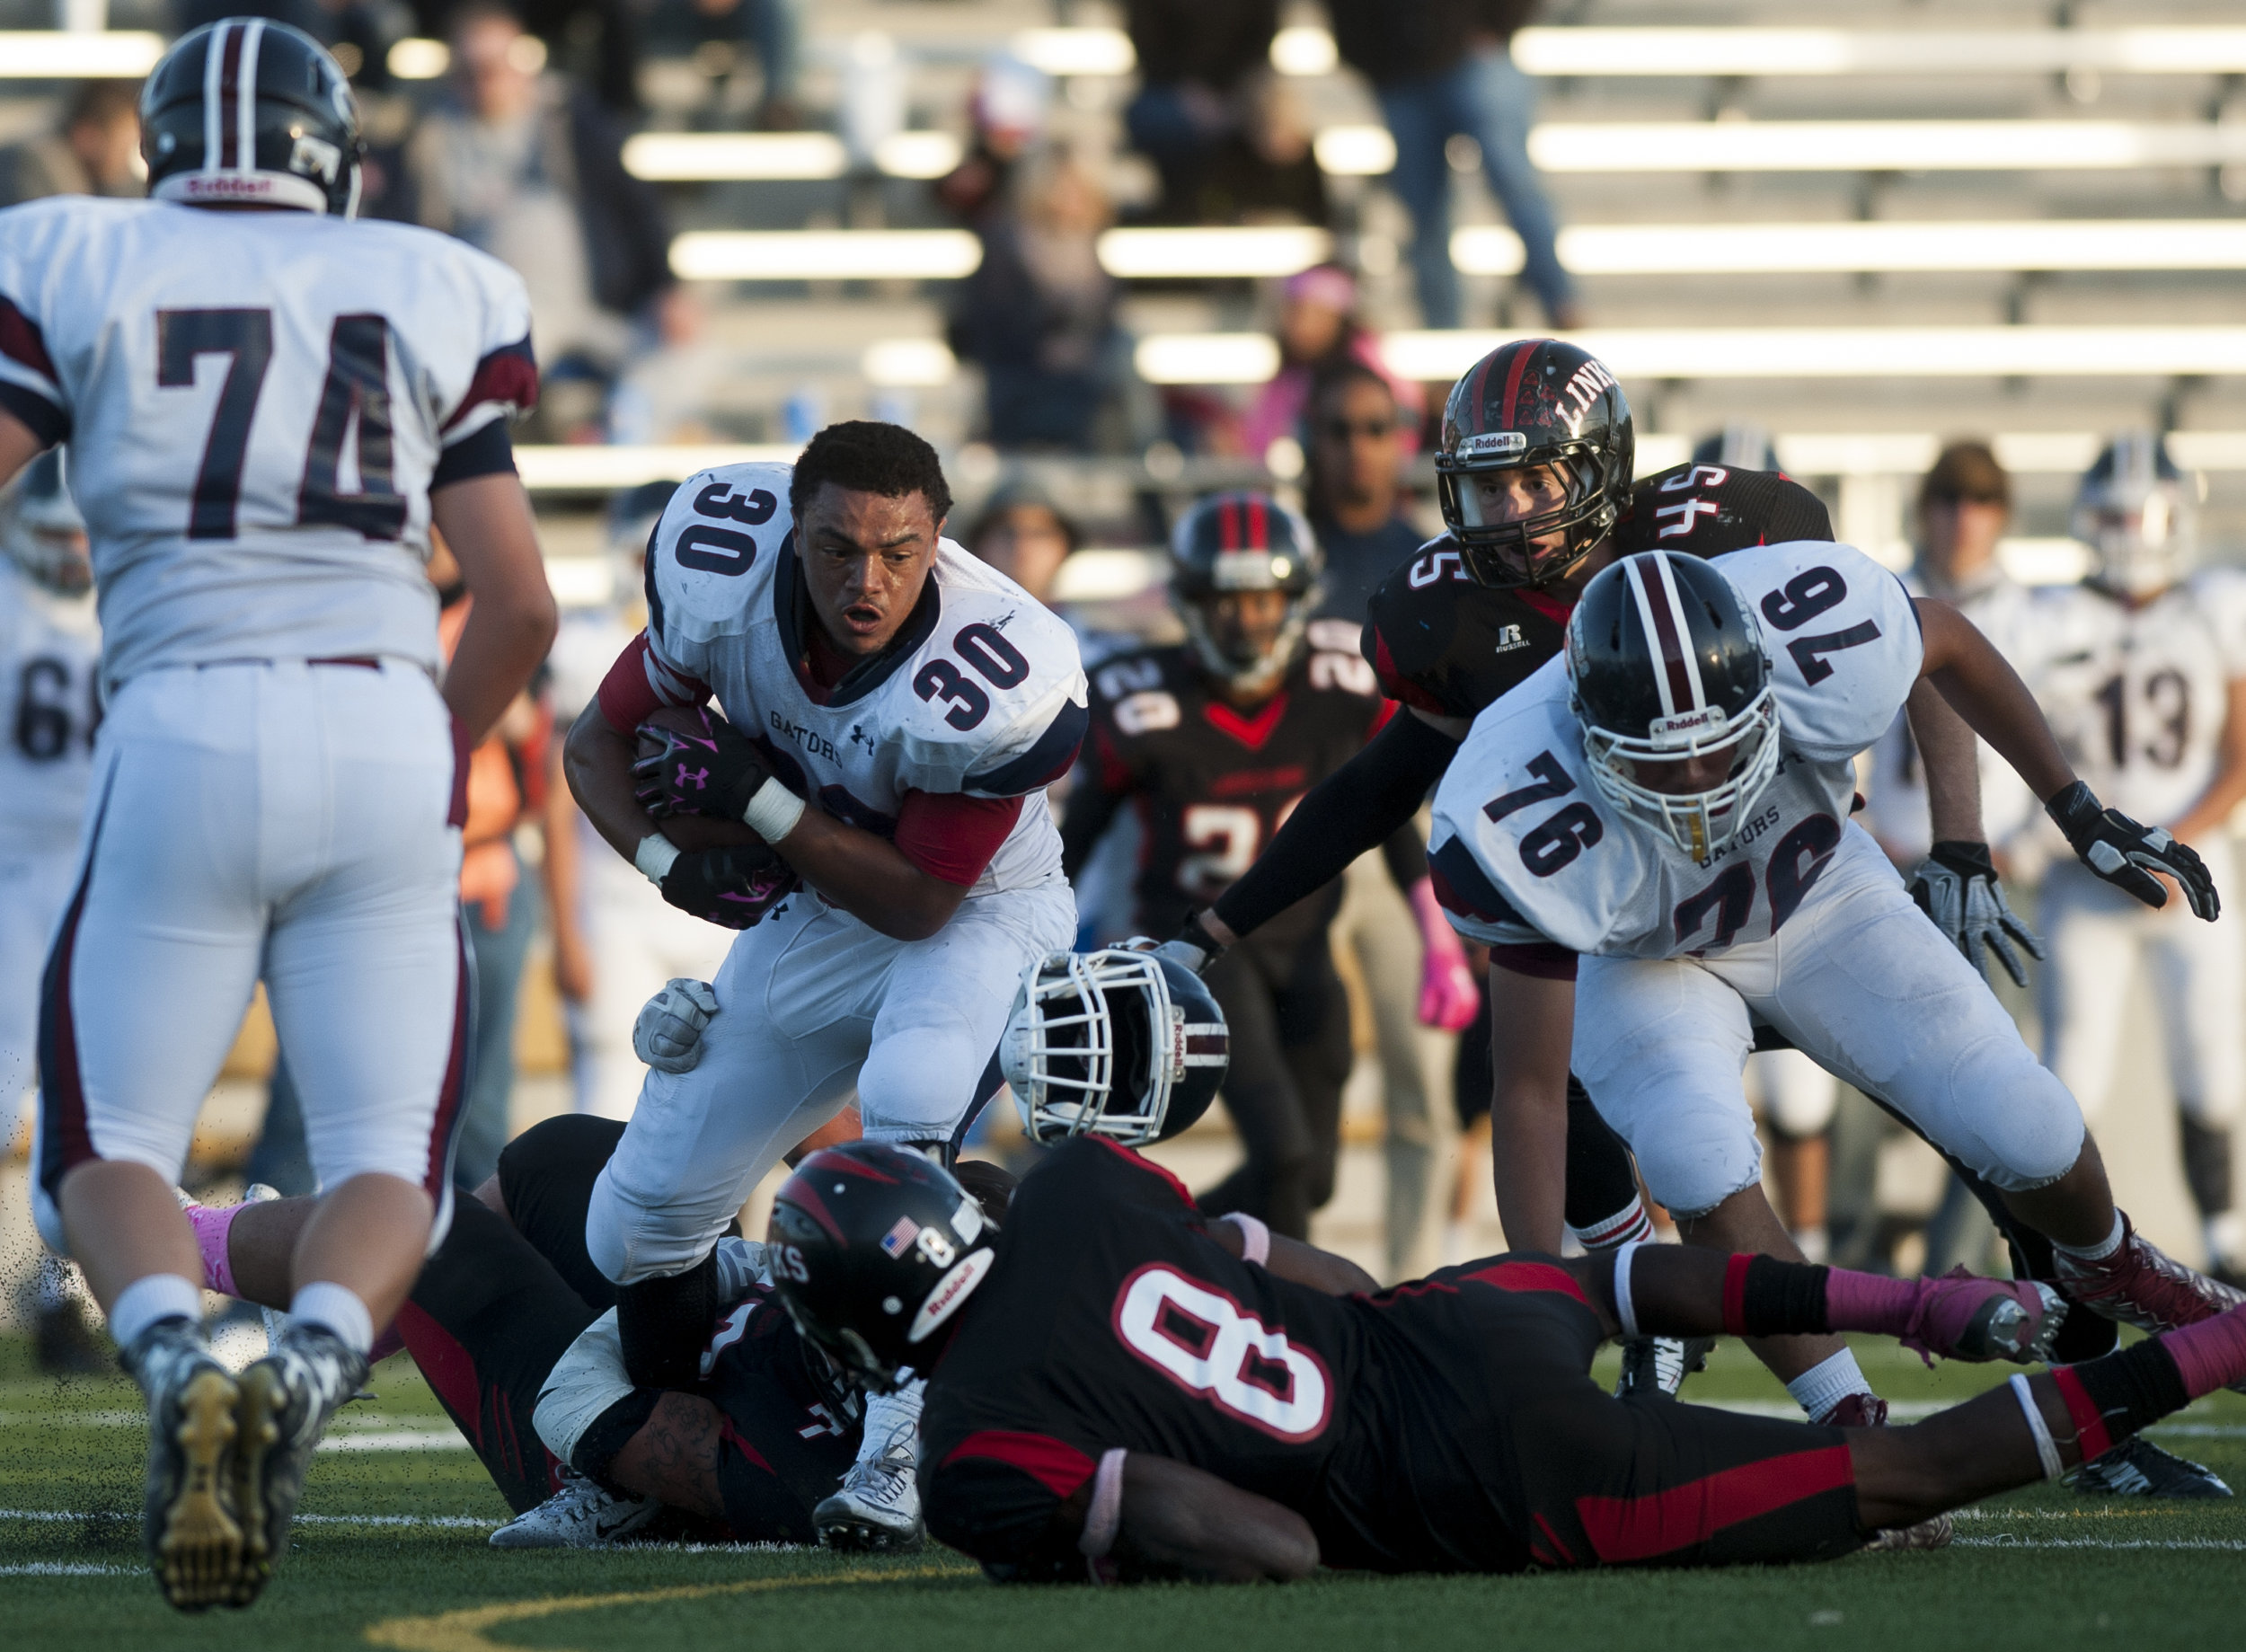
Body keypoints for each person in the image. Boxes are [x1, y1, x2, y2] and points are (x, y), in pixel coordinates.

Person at [0, 20, 556, 1610]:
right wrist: (429, 763)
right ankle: (312, 1358)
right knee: (395, 1153)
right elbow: (514, 607)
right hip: (382, 707)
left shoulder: (77, 252)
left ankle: (178, 1356)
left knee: (106, 1152)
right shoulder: (431, 278)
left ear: (165, 145)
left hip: (180, 714)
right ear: (337, 154)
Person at [1152, 340, 1943, 1401]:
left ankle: (2086, 1337)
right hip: (1616, 906)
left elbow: (1917, 639)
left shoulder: (1724, 534)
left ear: (1600, 468)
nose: (1513, 510)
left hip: (1782, 881)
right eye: (1487, 485)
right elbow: (1376, 785)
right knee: (1569, 1088)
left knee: (1971, 1098)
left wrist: (1965, 843)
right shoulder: (1451, 613)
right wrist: (1219, 925)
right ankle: (1649, 1313)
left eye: (1535, 479)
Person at [1426, 540, 2242, 1425]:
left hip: (1817, 895)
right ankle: (1844, 1415)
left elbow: (1947, 643)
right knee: (1690, 1155)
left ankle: (2109, 1260)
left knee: (2031, 1124)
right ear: (1591, 737)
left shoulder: (1808, 631)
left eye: (1721, 747)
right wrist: (1539, 1299)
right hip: (1643, 959)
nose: (1701, 786)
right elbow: (1533, 1093)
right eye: (1666, 764)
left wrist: (2067, 810)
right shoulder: (1511, 805)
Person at [768, 1134, 2246, 1581]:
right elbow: (1317, 1276)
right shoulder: (1085, 1181)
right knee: (1611, 1275)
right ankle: (1913, 1301)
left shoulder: (969, 1446)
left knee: (1895, 1472)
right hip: (1442, 1322)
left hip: (1483, 1479)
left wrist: (1087, 1548)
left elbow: (1271, 1542)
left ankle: (2234, 1338)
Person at [561, 421, 1086, 1549]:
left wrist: (751, 799)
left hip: (977, 905)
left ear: (937, 540)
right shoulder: (722, 580)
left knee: (908, 1099)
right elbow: (593, 747)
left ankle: (901, 1435)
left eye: (899, 552)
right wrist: (669, 867)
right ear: (792, 535)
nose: (868, 579)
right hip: (821, 901)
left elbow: (917, 906)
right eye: (838, 547)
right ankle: (672, 1450)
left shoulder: (990, 668)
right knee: (637, 1223)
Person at [179, 1111, 874, 1546]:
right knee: (569, 1159)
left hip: (605, 1461)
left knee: (422, 1222)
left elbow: (595, 1410)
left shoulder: (811, 1459)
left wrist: (656, 1289)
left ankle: (174, 1241)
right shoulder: (899, 1332)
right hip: (681, 1369)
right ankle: (341, 1335)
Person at [1060, 492, 1457, 1240]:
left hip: (1307, 949)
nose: (1246, 622)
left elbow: (1385, 803)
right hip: (1193, 955)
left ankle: (1143, 1240)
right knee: (1283, 1156)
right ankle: (1288, 1331)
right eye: (1225, 602)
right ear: (1187, 602)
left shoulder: (1339, 682)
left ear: (1299, 597)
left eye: (1264, 599)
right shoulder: (1136, 697)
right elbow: (1070, 847)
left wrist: (1432, 932)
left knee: (1312, 1178)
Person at [2026, 434, 2246, 1285]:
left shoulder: (2214, 605)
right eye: (2113, 513)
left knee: (2212, 1062)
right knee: (2070, 1068)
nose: (2129, 530)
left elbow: (2239, 753)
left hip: (2194, 872)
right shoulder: (2051, 616)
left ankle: (2227, 1240)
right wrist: (2081, 841)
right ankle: (2060, 1245)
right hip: (2087, 874)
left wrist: (2171, 844)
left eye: (2144, 512)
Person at [1296, 361, 1469, 1277]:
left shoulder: (1434, 554)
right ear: (1308, 440)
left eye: (1374, 428)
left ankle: (1408, 1287)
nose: (1358, 448)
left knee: (1419, 1082)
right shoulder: (1281, 549)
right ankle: (1281, 1283)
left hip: (1412, 832)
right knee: (1292, 1076)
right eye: (1338, 429)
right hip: (1301, 828)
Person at [544, 481, 737, 1122]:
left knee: (734, 1099)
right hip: (617, 903)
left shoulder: (740, 642)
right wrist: (566, 930)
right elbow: (556, 794)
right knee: (611, 1092)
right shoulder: (582, 647)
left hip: (727, 897)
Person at [404, 1, 679, 434]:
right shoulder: (428, 139)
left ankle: (614, 426)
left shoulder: (573, 121)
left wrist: (667, 286)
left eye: (498, 65)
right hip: (500, 314)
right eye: (473, 69)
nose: (487, 80)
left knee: (685, 350)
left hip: (592, 304)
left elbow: (637, 206)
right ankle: (555, 424)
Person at [0, 452, 102, 1372]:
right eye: (56, 537)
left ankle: (58, 1287)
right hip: (11, 870)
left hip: (109, 874)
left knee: (92, 1087)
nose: (73, 557)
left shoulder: (129, 600)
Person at [1326, 0, 1579, 330]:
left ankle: (1562, 303)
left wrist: (1495, 30)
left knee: (1514, 184)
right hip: (1401, 75)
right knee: (1424, 215)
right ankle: (1445, 336)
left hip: (1467, 59)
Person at [947, 149, 1127, 452]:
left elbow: (1106, 323)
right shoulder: (1005, 246)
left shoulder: (1094, 250)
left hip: (1085, 384)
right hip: (1021, 382)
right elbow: (990, 324)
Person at [1241, 268, 1424, 471]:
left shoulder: (1372, 369)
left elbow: (1402, 438)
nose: (1299, 324)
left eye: (1312, 312)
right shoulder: (1290, 377)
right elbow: (1257, 442)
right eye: (1294, 311)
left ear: (1337, 317)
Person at [0, 80, 143, 209]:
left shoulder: (90, 181)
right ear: (87, 136)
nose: (125, 164)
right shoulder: (34, 171)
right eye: (123, 149)